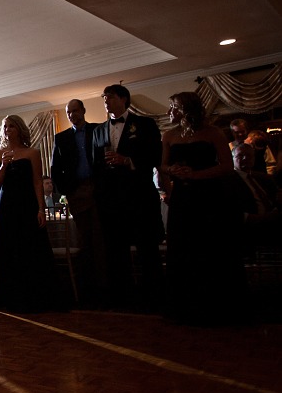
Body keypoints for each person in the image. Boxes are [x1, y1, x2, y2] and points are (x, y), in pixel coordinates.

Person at [160, 92, 249, 323]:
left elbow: (227, 166)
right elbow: (162, 165)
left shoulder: (213, 133)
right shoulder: (169, 135)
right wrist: (173, 173)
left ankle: (215, 306)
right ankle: (184, 306)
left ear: (187, 110)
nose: (170, 112)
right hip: (182, 197)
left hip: (210, 197)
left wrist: (197, 174)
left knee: (210, 247)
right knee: (182, 247)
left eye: (174, 107)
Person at [92, 84, 164, 310]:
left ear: (124, 99)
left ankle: (154, 296)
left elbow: (155, 155)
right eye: (104, 97)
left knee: (147, 249)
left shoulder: (144, 124)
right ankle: (122, 296)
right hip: (112, 201)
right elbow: (96, 165)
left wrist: (128, 161)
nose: (106, 101)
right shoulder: (99, 130)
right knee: (116, 250)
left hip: (139, 197)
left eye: (110, 97)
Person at [0, 115, 65, 312]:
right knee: (9, 249)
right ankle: (9, 298)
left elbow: (37, 182)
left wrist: (41, 208)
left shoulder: (32, 152)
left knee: (30, 247)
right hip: (6, 205)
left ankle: (37, 296)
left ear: (20, 129)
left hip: (27, 204)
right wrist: (4, 165)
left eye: (12, 126)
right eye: (5, 126)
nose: (7, 130)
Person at [51, 98, 106, 307]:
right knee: (84, 241)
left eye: (75, 111)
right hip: (77, 193)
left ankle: (105, 287)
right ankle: (88, 290)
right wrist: (69, 192)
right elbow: (56, 170)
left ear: (83, 110)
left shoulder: (99, 130)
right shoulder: (61, 138)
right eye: (68, 112)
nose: (72, 115)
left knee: (101, 239)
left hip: (99, 191)